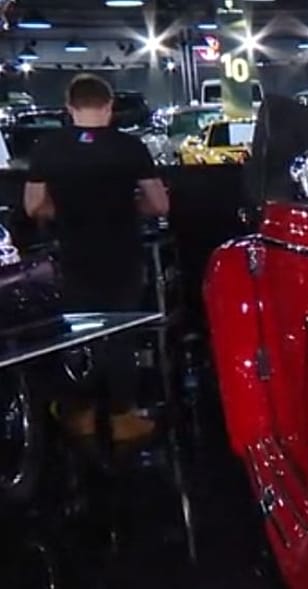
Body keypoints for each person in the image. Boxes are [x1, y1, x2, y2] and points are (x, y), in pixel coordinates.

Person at [24, 74, 169, 442]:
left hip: (72, 253)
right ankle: (123, 415)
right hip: (122, 251)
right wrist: (128, 207)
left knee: (76, 333)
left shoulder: (47, 148)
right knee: (121, 332)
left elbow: (33, 206)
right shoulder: (130, 148)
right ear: (108, 107)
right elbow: (159, 203)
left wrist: (66, 209)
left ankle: (79, 411)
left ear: (70, 108)